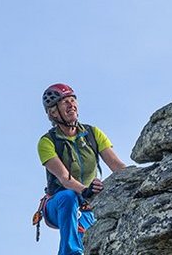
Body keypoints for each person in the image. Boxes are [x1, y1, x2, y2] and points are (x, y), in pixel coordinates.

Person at [35, 83, 127, 255]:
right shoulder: (47, 142)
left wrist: (139, 179)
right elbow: (63, 177)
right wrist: (85, 190)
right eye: (65, 102)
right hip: (59, 203)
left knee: (92, 245)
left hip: (87, 204)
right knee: (68, 197)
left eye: (73, 100)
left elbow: (117, 165)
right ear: (53, 112)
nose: (71, 105)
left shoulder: (92, 133)